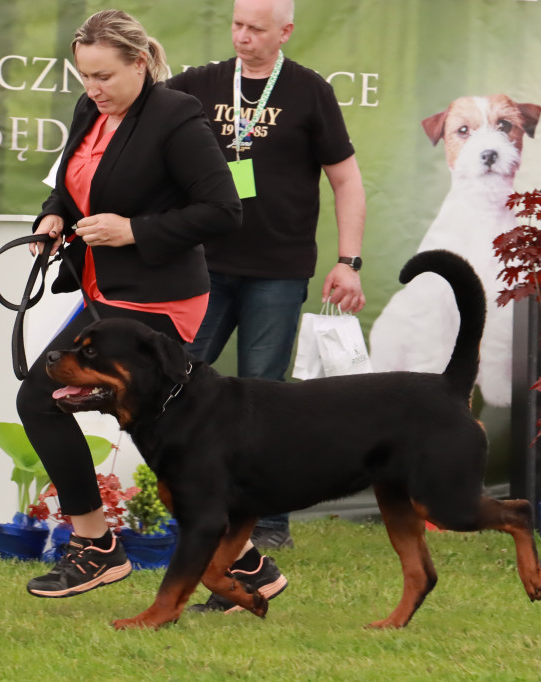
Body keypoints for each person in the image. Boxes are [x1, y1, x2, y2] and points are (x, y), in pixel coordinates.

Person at [18, 9, 242, 599]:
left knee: (44, 400)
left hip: (161, 301)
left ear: (140, 63)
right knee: (167, 434)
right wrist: (52, 214)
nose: (92, 89)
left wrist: (133, 230)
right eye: (83, 77)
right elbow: (68, 181)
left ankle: (96, 547)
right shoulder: (90, 109)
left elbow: (223, 211)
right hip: (104, 292)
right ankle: (247, 567)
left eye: (104, 76)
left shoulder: (177, 118)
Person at [167, 0, 367, 610]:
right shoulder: (198, 84)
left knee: (263, 393)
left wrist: (349, 260)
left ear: (286, 31)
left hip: (278, 270)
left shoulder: (310, 92)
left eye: (257, 28)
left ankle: (268, 518)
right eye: (237, 26)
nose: (244, 37)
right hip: (200, 262)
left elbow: (346, 179)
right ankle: (179, 502)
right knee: (177, 383)